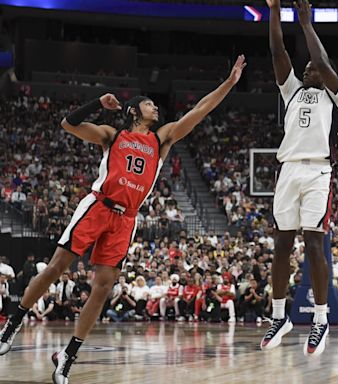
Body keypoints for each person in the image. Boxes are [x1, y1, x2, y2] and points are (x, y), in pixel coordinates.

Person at [0, 56, 246, 383]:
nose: (155, 108)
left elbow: (199, 111)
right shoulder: (111, 135)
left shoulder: (162, 140)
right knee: (57, 266)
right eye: (149, 104)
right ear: (133, 110)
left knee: (102, 287)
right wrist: (97, 103)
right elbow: (68, 124)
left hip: (126, 219)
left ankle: (68, 356)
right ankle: (12, 325)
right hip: (98, 205)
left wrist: (229, 83)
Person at [260, 0, 338, 357]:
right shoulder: (292, 91)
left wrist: (306, 23)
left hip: (318, 170)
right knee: (282, 244)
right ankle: (279, 316)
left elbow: (323, 62)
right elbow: (277, 49)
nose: (310, 66)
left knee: (314, 243)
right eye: (307, 65)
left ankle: (320, 318)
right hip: (288, 169)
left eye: (315, 65)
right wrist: (274, 10)